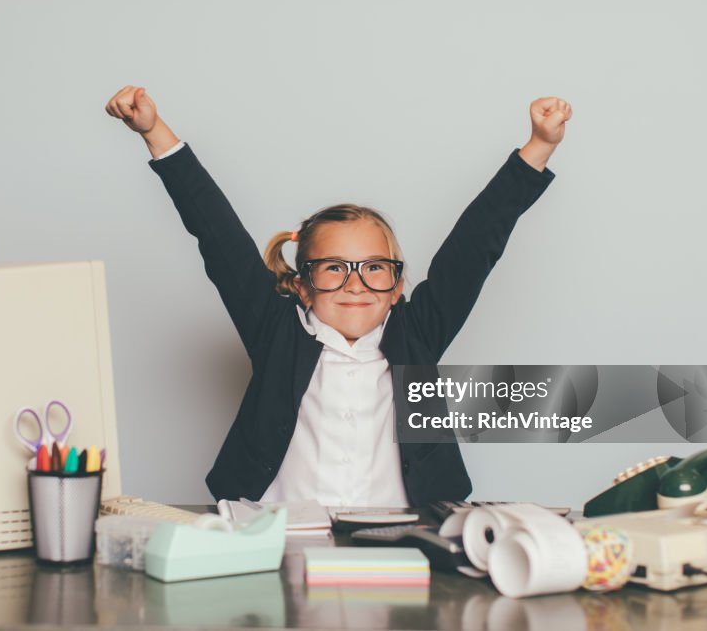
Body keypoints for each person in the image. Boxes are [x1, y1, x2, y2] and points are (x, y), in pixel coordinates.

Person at [105, 86, 571, 507]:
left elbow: (476, 245)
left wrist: (538, 147)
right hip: (274, 538)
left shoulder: (418, 334)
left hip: (401, 541)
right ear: (303, 285)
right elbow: (216, 233)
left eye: (374, 268)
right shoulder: (275, 331)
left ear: (397, 287)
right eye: (334, 269)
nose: (355, 284)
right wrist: (156, 134)